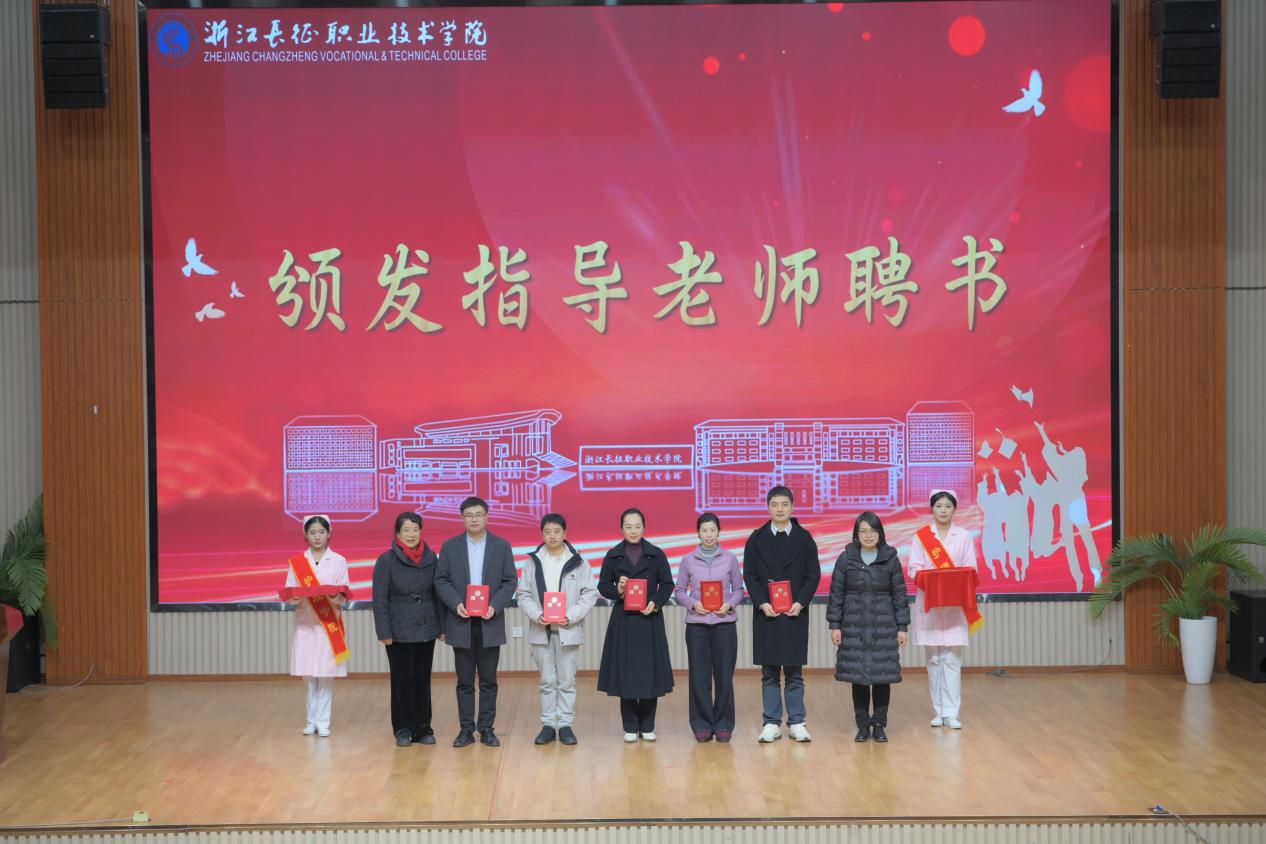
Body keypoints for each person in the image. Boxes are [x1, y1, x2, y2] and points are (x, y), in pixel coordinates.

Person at [435, 497, 518, 747]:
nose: (474, 519)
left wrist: (495, 606)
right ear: (462, 518)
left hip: (489, 621)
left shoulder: (501, 546)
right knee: (464, 681)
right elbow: (441, 580)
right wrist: (455, 603)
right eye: (469, 515)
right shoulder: (450, 547)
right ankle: (466, 730)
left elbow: (510, 581)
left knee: (489, 681)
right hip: (461, 621)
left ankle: (487, 729)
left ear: (486, 516)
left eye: (479, 514)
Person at [743, 486, 821, 743]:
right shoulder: (756, 539)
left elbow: (813, 575)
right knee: (769, 672)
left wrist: (801, 602)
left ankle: (797, 722)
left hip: (794, 613)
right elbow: (750, 576)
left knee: (794, 672)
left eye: (784, 504)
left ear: (792, 507)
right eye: (774, 504)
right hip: (767, 614)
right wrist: (761, 602)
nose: (779, 509)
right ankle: (771, 722)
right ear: (768, 507)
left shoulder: (804, 538)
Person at [514, 512, 600, 746]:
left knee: (566, 681)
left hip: (568, 631)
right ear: (542, 534)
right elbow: (523, 594)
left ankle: (565, 725)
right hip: (541, 631)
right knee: (547, 681)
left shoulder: (579, 562)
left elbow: (589, 594)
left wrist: (571, 616)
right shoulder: (532, 562)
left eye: (556, 531)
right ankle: (548, 725)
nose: (552, 536)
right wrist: (537, 614)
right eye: (547, 532)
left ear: (565, 533)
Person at [826, 511, 910, 743]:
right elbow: (836, 594)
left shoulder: (890, 559)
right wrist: (835, 625)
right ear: (856, 534)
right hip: (854, 627)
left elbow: (899, 595)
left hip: (884, 627)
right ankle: (863, 725)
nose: (868, 535)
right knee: (859, 678)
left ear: (880, 533)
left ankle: (879, 725)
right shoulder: (846, 559)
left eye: (872, 531)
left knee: (882, 677)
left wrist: (902, 626)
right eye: (863, 531)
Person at [596, 508, 675, 742]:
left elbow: (667, 585)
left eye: (637, 526)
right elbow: (603, 586)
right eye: (628, 526)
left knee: (650, 673)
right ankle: (630, 727)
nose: (633, 531)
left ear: (644, 527)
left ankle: (648, 725)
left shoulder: (656, 554)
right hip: (624, 621)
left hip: (649, 618)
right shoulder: (613, 555)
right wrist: (618, 590)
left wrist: (656, 602)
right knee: (626, 672)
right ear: (621, 529)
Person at [906, 489, 979, 730]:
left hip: (955, 606)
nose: (943, 511)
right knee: (934, 660)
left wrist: (952, 579)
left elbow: (971, 567)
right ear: (932, 509)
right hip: (930, 605)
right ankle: (938, 711)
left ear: (954, 509)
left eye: (948, 506)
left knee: (952, 661)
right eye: (939, 506)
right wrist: (932, 579)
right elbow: (914, 568)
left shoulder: (964, 536)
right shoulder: (922, 537)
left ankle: (952, 713)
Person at [372, 511, 445, 748]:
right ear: (397, 534)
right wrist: (384, 631)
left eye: (415, 529)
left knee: (422, 679)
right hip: (398, 630)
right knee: (402, 680)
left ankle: (423, 728)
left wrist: (442, 626)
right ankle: (403, 729)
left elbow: (438, 594)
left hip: (426, 626)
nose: (411, 534)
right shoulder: (386, 561)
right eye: (406, 530)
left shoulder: (431, 558)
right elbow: (379, 599)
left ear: (421, 531)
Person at [673, 512, 745, 743]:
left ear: (718, 532)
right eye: (704, 530)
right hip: (697, 626)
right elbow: (679, 591)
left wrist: (729, 605)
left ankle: (723, 724)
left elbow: (739, 589)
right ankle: (702, 724)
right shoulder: (688, 560)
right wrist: (693, 605)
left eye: (712, 530)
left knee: (724, 676)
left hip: (725, 624)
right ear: (698, 533)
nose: (708, 534)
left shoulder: (730, 558)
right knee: (699, 676)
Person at [283, 515, 350, 738]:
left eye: (321, 532)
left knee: (326, 675)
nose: (317, 537)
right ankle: (310, 720)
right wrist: (295, 598)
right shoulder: (297, 563)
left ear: (329, 533)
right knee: (308, 676)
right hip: (305, 623)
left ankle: (323, 721)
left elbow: (344, 595)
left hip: (329, 623)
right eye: (312, 533)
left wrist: (331, 595)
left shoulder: (338, 560)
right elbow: (290, 594)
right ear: (305, 535)